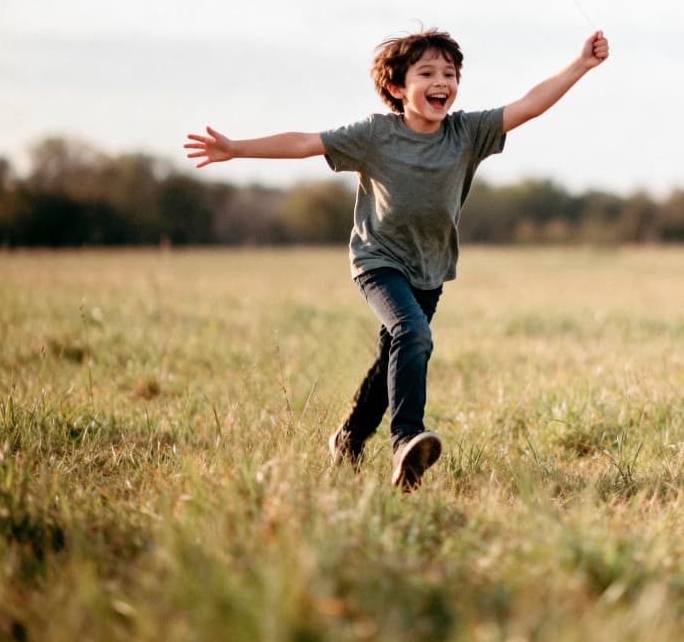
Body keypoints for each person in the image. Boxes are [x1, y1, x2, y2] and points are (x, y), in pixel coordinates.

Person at [185, 28, 609, 490]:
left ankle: (348, 438)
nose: (441, 81)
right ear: (396, 88)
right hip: (378, 261)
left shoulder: (466, 133)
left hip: (430, 268)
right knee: (413, 334)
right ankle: (406, 441)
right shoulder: (375, 135)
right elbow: (306, 142)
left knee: (393, 354)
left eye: (449, 73)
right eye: (426, 72)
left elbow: (529, 104)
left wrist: (580, 64)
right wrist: (236, 148)